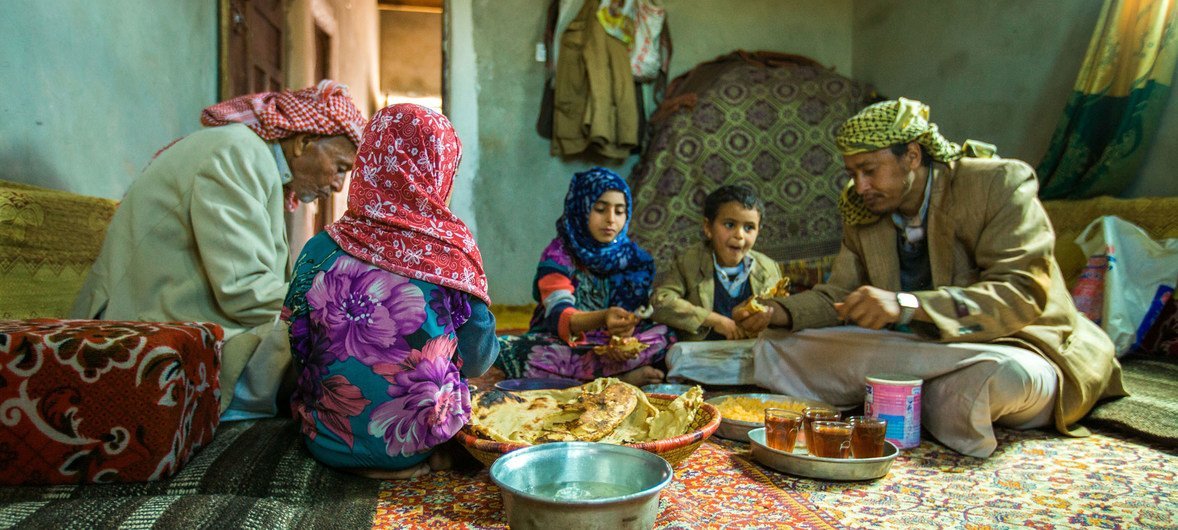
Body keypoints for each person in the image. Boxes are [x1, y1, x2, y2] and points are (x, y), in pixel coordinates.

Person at [738, 97, 1126, 458]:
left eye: (869, 171)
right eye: (853, 173)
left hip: (1013, 346)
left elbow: (1020, 293)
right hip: (915, 350)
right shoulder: (864, 212)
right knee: (783, 344)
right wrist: (777, 313)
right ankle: (914, 398)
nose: (860, 187)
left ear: (911, 155)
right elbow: (839, 296)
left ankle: (896, 395)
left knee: (997, 378)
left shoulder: (997, 184)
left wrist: (909, 305)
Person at [71, 80, 366, 420]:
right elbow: (243, 291)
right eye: (340, 167)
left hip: (178, 315)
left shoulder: (249, 155)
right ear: (304, 141)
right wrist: (334, 310)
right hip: (143, 330)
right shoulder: (238, 153)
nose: (338, 184)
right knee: (338, 349)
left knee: (337, 342)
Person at [282, 103, 498, 479]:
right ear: (437, 174)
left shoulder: (320, 248)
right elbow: (478, 359)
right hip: (419, 445)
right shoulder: (451, 254)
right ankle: (424, 461)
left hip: (327, 443)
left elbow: (299, 347)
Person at [495, 167, 674, 387]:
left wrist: (623, 339)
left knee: (667, 336)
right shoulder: (559, 255)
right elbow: (558, 313)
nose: (611, 220)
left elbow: (638, 314)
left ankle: (589, 381)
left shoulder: (636, 259)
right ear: (581, 208)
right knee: (515, 350)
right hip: (571, 343)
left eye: (619, 211)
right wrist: (602, 318)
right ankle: (618, 380)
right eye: (600, 209)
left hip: (614, 349)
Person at [651, 184, 781, 341]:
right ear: (708, 227)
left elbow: (782, 310)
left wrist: (769, 316)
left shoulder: (768, 268)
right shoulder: (689, 261)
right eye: (729, 225)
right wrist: (713, 320)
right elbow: (661, 301)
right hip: (703, 352)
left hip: (753, 350)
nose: (739, 235)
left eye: (749, 228)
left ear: (758, 231)